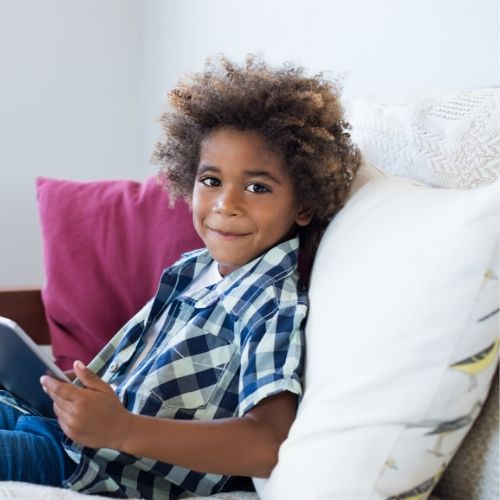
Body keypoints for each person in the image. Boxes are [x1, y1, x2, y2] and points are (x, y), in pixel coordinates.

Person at [0, 55, 361, 498]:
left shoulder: (271, 304)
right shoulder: (193, 269)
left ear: (303, 205)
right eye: (211, 180)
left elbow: (270, 441)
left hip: (89, 467)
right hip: (57, 430)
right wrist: (76, 396)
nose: (225, 205)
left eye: (257, 187)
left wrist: (122, 429)